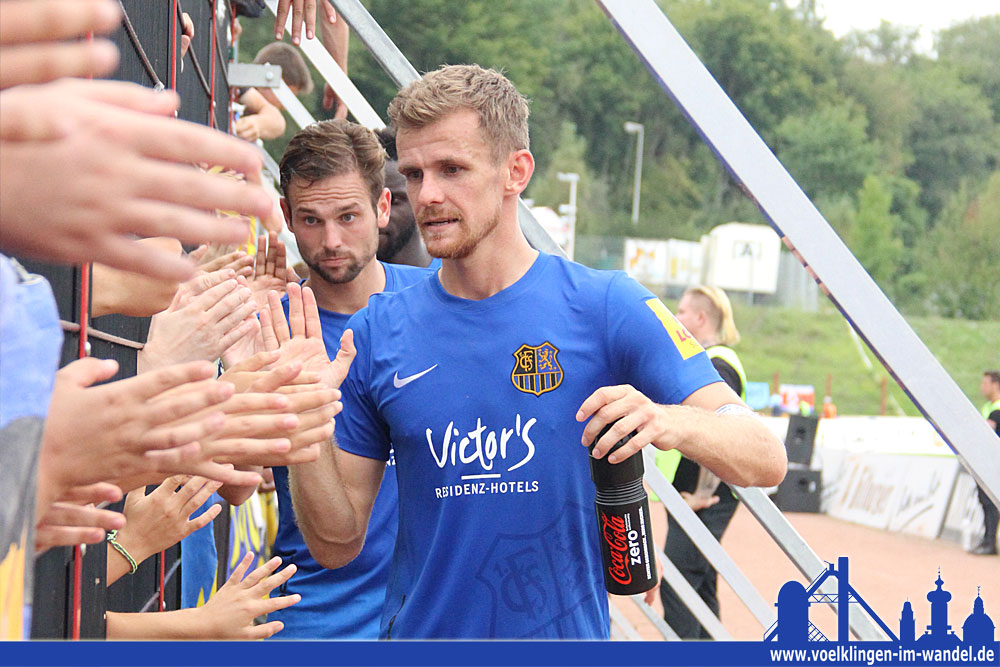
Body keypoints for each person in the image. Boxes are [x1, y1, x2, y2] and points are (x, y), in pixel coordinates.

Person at [287, 64, 786, 639]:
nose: (428, 195)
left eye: (452, 169)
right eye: (415, 173)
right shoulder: (376, 331)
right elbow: (336, 544)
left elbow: (763, 456)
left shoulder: (607, 305)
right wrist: (305, 432)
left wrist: (666, 419)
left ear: (515, 171)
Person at [257, 119, 432, 638]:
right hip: (314, 620)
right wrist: (242, 365)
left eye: (348, 216)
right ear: (287, 217)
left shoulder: (443, 304)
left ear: (382, 209)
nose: (331, 240)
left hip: (436, 619)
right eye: (311, 220)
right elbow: (231, 488)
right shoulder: (269, 327)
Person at [656, 285, 746, 638]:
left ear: (701, 318)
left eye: (680, 311)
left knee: (677, 586)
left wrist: (697, 493)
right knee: (701, 588)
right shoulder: (714, 360)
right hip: (703, 495)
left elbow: (718, 432)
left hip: (703, 498)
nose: (675, 318)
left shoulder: (717, 364)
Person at [374, 128, 433, 268]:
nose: (378, 214)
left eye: (392, 201)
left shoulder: (459, 280)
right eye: (367, 201)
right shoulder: (322, 288)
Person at [972, 370, 1000, 555]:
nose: (982, 387)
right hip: (987, 461)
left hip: (994, 462)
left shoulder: (997, 409)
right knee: (984, 499)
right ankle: (987, 539)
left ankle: (990, 541)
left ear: (995, 385)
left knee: (990, 501)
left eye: (985, 383)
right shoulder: (989, 407)